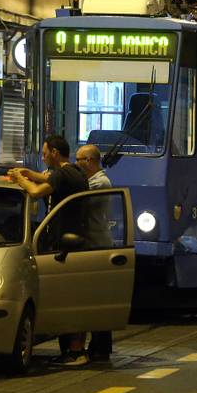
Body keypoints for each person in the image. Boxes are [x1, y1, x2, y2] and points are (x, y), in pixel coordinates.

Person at [9, 135, 89, 367]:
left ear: (55, 153)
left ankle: (75, 351)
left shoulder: (63, 174)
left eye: (44, 154)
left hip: (66, 244)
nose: (43, 158)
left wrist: (19, 179)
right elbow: (44, 177)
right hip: (69, 241)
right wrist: (25, 172)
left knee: (69, 298)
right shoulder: (72, 172)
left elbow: (36, 191)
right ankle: (73, 349)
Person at [75, 144, 114, 363]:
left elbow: (76, 196)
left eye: (79, 160)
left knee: (98, 299)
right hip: (92, 245)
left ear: (90, 161)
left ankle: (101, 347)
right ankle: (98, 346)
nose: (76, 164)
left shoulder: (100, 182)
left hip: (97, 247)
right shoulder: (95, 180)